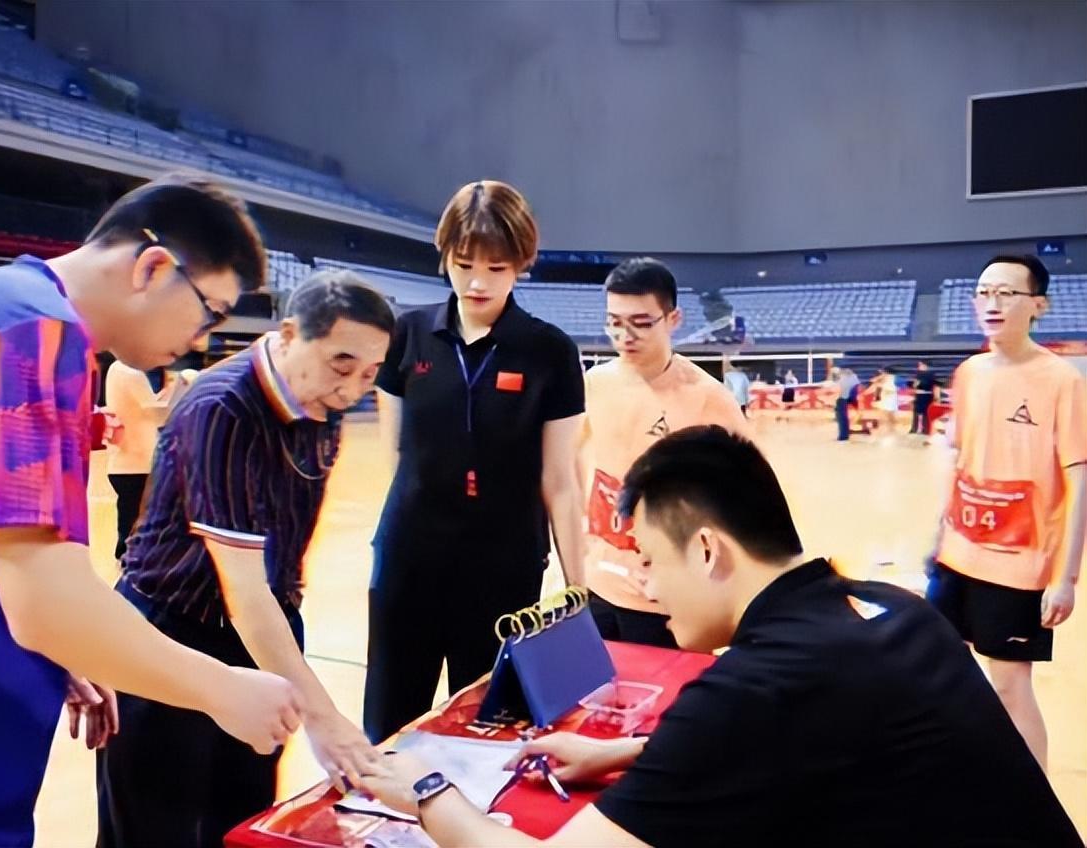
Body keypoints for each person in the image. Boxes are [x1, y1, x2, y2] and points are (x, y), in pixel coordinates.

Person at [360, 426, 1081, 847]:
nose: (644, 585)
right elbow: (813, 734)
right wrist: (621, 752)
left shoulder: (759, 686)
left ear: (707, 550)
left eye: (650, 560)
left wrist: (425, 789)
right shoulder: (890, 607)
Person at [0, 174, 303, 848]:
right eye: (209, 312)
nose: (201, 340)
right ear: (153, 267)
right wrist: (222, 689)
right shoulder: (29, 337)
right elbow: (46, 602)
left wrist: (68, 645)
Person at [97, 271, 393, 848]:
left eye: (370, 372)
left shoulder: (323, 401)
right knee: (152, 829)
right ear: (290, 334)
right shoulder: (223, 408)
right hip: (171, 633)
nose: (352, 388)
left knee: (241, 820)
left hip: (261, 630)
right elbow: (243, 591)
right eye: (341, 363)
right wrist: (324, 718)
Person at [365, 180, 586, 743]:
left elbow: (560, 480)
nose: (478, 282)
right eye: (463, 265)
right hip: (409, 561)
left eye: (497, 267)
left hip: (503, 567)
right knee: (389, 723)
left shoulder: (551, 351)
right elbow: (397, 455)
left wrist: (578, 588)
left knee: (487, 728)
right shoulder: (408, 334)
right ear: (444, 257)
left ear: (522, 265)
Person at [927, 254, 1085, 772]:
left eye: (1006, 293)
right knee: (941, 668)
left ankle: (1036, 802)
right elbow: (959, 456)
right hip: (957, 553)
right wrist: (937, 533)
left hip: (1018, 563)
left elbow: (1079, 480)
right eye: (983, 292)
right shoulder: (969, 373)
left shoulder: (1062, 380)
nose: (991, 303)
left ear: (1038, 306)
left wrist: (1066, 578)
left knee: (1010, 686)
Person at [579, 257, 747, 647]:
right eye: (614, 322)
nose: (624, 336)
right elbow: (568, 470)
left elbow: (748, 498)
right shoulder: (594, 383)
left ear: (673, 319)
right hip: (596, 586)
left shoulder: (710, 400)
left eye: (641, 323)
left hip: (666, 600)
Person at [103, 362, 174, 560]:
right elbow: (156, 415)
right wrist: (178, 393)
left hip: (122, 461)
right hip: (139, 462)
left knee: (128, 517)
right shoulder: (133, 373)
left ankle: (127, 556)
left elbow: (142, 408)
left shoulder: (115, 369)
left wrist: (166, 394)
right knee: (139, 519)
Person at [909, 360, 940, 437]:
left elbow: (915, 385)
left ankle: (916, 429)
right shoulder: (932, 375)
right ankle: (924, 430)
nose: (918, 367)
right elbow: (936, 386)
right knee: (922, 413)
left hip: (923, 395)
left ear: (924, 365)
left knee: (921, 412)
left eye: (920, 365)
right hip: (925, 395)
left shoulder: (920, 375)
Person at [833, 365, 859, 441]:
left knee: (842, 417)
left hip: (842, 398)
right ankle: (845, 434)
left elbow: (838, 389)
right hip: (850, 397)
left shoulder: (841, 379)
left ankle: (843, 436)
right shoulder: (854, 377)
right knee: (843, 417)